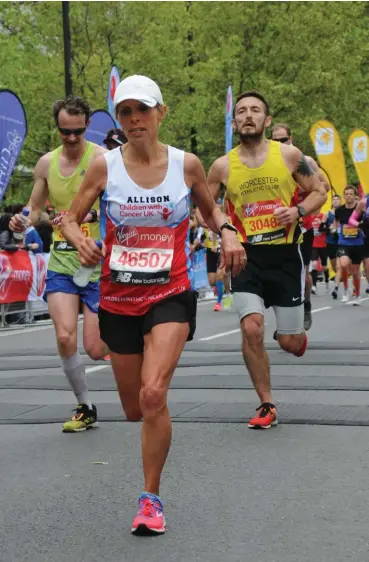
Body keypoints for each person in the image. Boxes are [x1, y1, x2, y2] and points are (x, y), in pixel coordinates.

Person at [61, 75, 245, 535]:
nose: (133, 119)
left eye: (142, 109)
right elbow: (70, 217)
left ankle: (150, 499)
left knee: (152, 394)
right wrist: (77, 238)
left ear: (161, 113)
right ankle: (152, 428)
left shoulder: (187, 165)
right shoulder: (104, 166)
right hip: (119, 298)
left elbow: (209, 209)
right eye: (125, 112)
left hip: (170, 293)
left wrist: (226, 231)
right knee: (133, 408)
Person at [203, 91, 326, 430]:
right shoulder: (222, 166)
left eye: (255, 110)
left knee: (291, 343)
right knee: (251, 328)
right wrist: (225, 228)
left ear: (267, 121)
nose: (248, 115)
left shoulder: (289, 155)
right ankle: (266, 403)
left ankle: (296, 325)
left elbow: (319, 191)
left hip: (286, 256)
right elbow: (204, 207)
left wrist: (298, 210)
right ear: (234, 122)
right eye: (241, 111)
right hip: (246, 256)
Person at [10, 95, 108, 432]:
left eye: (77, 132)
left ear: (87, 126)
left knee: (96, 349)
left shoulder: (102, 159)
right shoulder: (45, 164)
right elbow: (35, 208)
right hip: (63, 261)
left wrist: (92, 214)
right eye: (64, 131)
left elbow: (116, 207)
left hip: (97, 260)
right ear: (57, 127)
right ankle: (85, 405)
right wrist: (23, 220)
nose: (70, 138)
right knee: (66, 338)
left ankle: (131, 339)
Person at [271, 123, 330, 329]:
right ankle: (285, 322)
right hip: (277, 226)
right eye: (275, 141)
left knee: (300, 273)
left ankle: (305, 306)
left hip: (302, 225)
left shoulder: (306, 161)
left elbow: (325, 187)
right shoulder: (268, 163)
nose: (280, 144)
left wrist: (307, 201)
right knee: (278, 275)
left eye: (283, 140)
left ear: (291, 139)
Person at [335, 185, 364, 304]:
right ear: (344, 196)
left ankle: (357, 295)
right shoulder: (339, 210)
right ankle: (346, 290)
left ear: (355, 195)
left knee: (355, 271)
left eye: (351, 194)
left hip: (358, 243)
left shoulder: (359, 210)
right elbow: (336, 224)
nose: (348, 196)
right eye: (346, 194)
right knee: (343, 264)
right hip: (344, 242)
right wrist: (336, 230)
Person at [348, 192, 369, 294]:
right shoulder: (364, 203)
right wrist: (359, 225)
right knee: (368, 267)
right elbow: (351, 219)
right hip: (367, 239)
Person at [311, 211, 329, 294]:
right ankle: (314, 286)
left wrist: (321, 223)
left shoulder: (324, 216)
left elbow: (327, 231)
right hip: (313, 245)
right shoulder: (310, 217)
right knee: (314, 264)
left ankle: (327, 281)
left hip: (323, 245)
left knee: (324, 266)